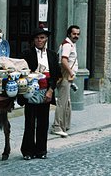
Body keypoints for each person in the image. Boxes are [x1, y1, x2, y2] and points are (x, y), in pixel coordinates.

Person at [18, 27, 61, 160]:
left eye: (42, 38)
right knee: (30, 122)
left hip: (46, 91)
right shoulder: (27, 54)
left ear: (46, 39)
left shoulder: (52, 55)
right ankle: (28, 151)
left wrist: (50, 91)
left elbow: (57, 75)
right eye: (37, 38)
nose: (39, 40)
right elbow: (22, 72)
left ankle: (41, 150)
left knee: (43, 122)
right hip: (31, 91)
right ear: (33, 40)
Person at [51, 25, 80, 137]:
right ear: (69, 34)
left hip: (66, 76)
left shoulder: (69, 44)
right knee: (62, 103)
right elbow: (64, 60)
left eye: (78, 34)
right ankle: (57, 126)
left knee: (66, 101)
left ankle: (64, 125)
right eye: (74, 34)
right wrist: (71, 72)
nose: (76, 36)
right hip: (65, 76)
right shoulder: (67, 45)